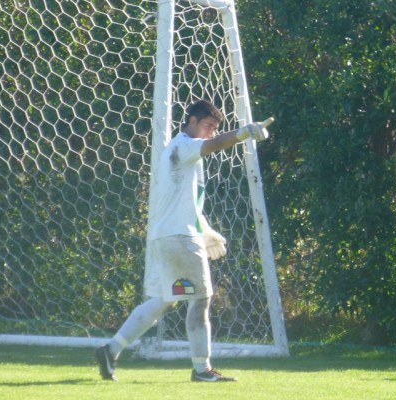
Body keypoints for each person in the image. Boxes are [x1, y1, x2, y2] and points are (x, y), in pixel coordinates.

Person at [94, 100, 271, 382]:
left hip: (167, 235)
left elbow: (185, 203)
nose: (211, 133)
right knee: (202, 298)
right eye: (208, 126)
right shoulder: (184, 145)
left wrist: (206, 229)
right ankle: (202, 369)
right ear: (191, 121)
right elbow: (213, 146)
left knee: (164, 300)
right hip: (179, 237)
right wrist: (244, 133)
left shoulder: (183, 153)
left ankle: (111, 349)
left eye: (215, 128)